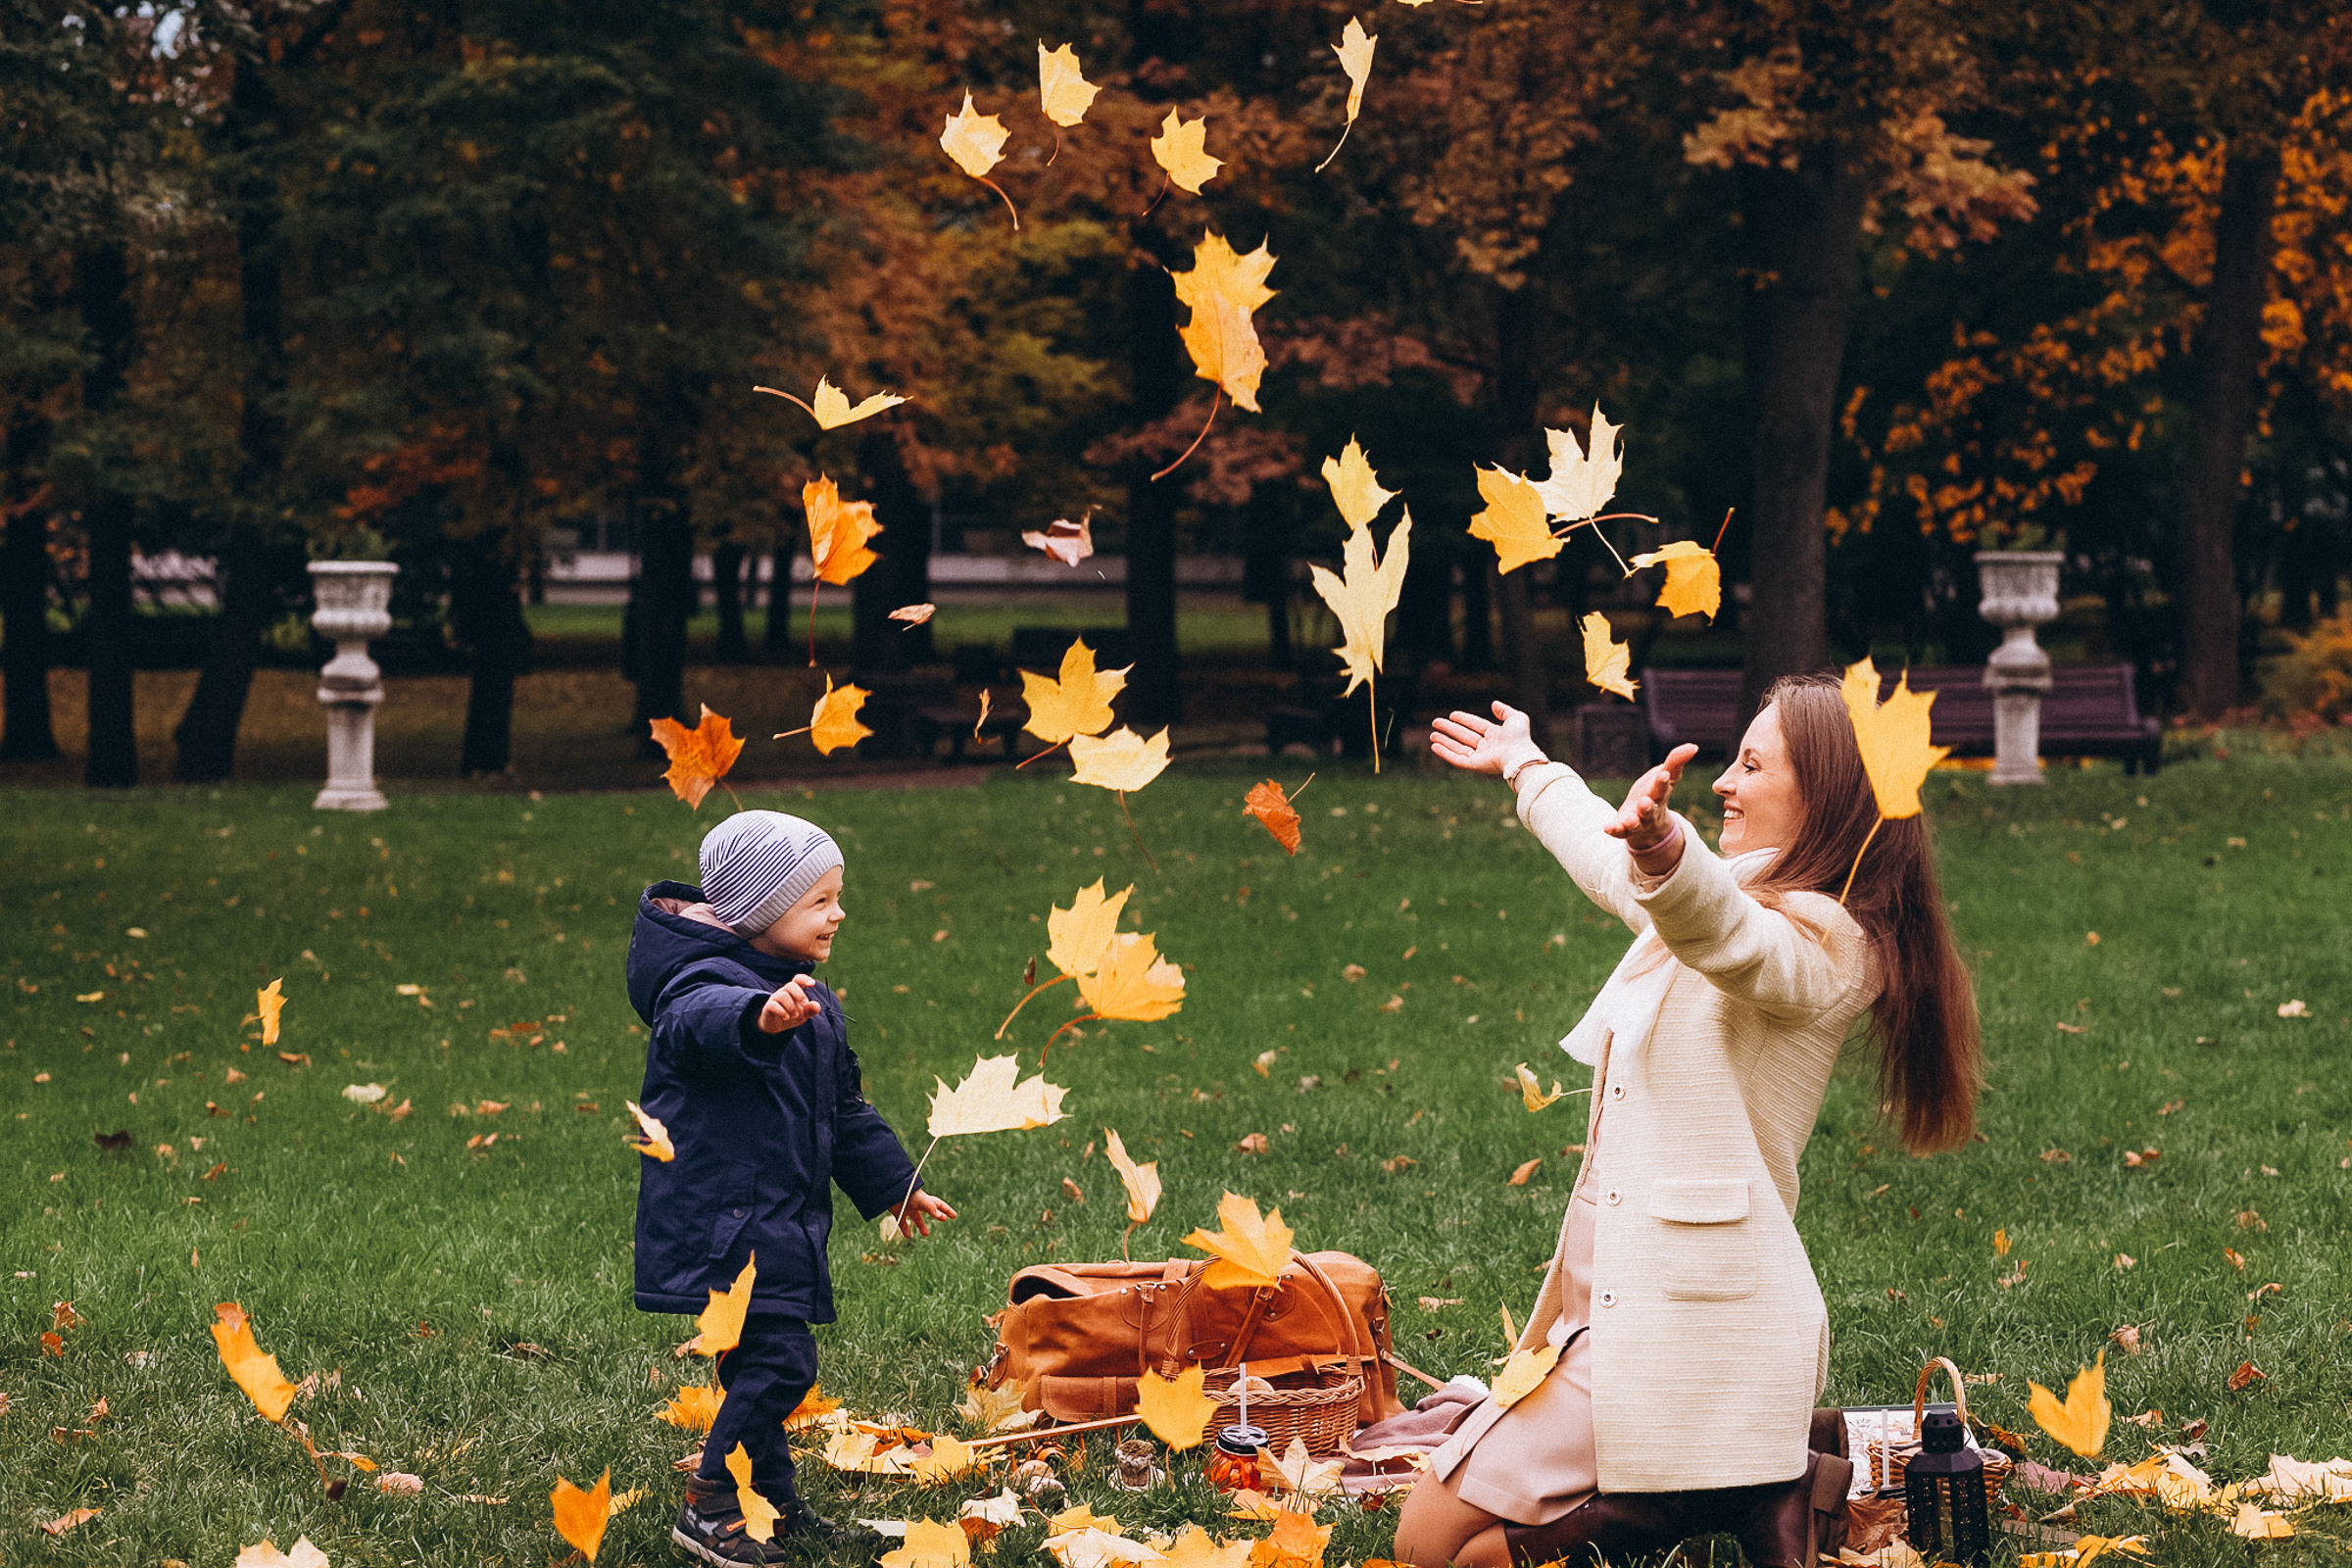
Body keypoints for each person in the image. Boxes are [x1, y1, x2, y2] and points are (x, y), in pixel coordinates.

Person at [1399, 680, 1981, 1568]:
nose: (1725, 784)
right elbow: (1616, 867)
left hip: (1686, 1332)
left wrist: (1671, 849)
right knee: (1426, 1545)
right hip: (1609, 1311)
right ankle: (1752, 1484)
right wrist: (1526, 764)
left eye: (1752, 765)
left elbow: (1732, 939)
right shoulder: (1733, 895)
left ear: (1826, 797)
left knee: (1445, 1556)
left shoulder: (1830, 948)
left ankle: (1702, 1498)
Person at [627, 809, 956, 1567]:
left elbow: (842, 1110)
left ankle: (764, 1501)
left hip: (775, 1217)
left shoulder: (810, 995)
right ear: (759, 908)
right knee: (782, 1365)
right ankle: (711, 1504)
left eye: (838, 895)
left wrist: (894, 1186)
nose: (838, 912)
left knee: (756, 1366)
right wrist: (756, 1016)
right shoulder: (701, 983)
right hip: (726, 1221)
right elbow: (695, 1025)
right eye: (818, 899)